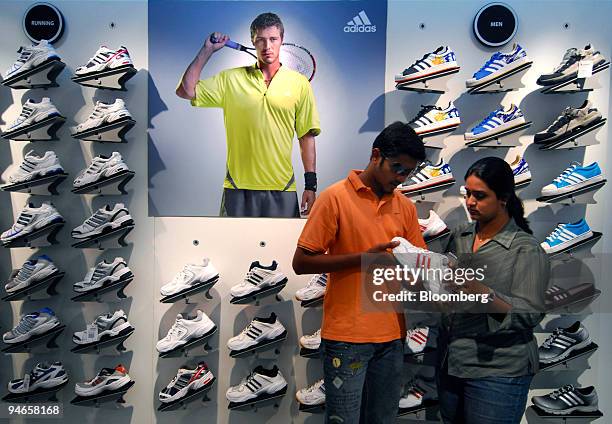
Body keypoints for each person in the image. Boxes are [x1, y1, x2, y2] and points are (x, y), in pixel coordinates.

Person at [292, 121, 427, 423]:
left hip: (393, 335)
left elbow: (416, 265)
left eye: (408, 172)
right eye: (397, 168)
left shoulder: (405, 206)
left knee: (383, 419)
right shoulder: (334, 197)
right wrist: (363, 260)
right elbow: (301, 262)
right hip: (346, 335)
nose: (401, 178)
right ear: (375, 154)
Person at [437, 157, 549, 423]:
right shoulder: (461, 236)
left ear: (503, 198)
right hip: (452, 363)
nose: (470, 202)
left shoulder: (526, 249)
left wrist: (483, 293)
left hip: (499, 371)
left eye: (480, 195)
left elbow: (530, 314)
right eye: (467, 194)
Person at [176, 13, 320, 217]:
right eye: (260, 40)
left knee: (282, 249)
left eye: (273, 39)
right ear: (253, 41)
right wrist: (207, 50)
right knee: (231, 249)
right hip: (238, 187)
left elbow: (306, 137)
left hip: (282, 187)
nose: (267, 46)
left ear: (282, 40)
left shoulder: (299, 84)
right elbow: (186, 91)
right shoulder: (230, 79)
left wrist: (311, 186)